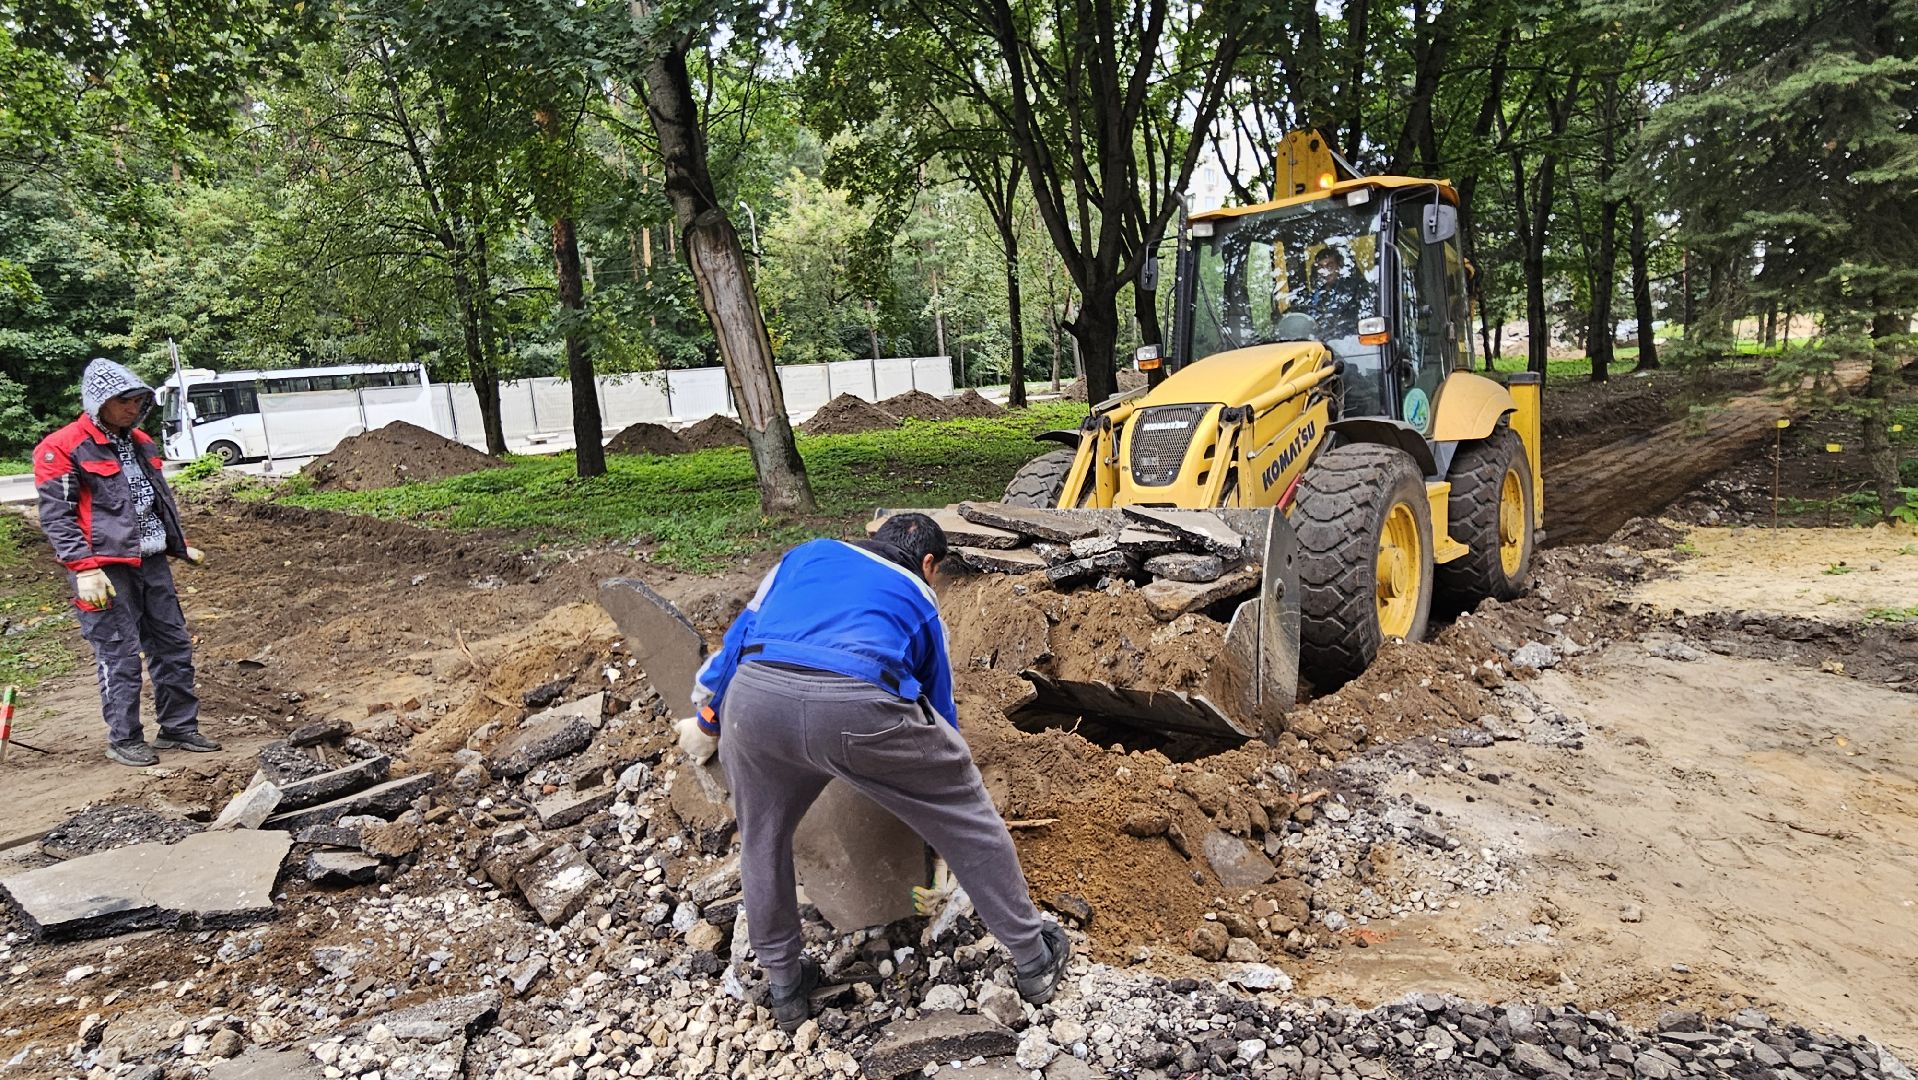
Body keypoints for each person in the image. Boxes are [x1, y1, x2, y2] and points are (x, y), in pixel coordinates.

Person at [677, 513, 1070, 1031]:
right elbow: (938, 707)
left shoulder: (807, 554)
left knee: (762, 838)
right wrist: (938, 787)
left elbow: (740, 636)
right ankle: (1033, 956)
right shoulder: (918, 595)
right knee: (967, 815)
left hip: (754, 704)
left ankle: (785, 986)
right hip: (856, 707)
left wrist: (709, 718)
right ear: (929, 564)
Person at [34, 358, 221, 767]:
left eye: (138, 400)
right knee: (118, 653)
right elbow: (56, 516)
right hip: (103, 569)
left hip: (151, 561)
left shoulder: (140, 441)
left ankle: (178, 727)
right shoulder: (61, 447)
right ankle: (124, 737)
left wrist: (176, 544)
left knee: (172, 644)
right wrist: (83, 568)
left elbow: (153, 499)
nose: (132, 408)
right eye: (124, 401)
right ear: (98, 401)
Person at [1296, 246, 1366, 333]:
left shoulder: (1351, 290)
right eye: (1321, 267)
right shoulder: (1315, 294)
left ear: (1339, 266)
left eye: (1330, 266)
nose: (1325, 272)